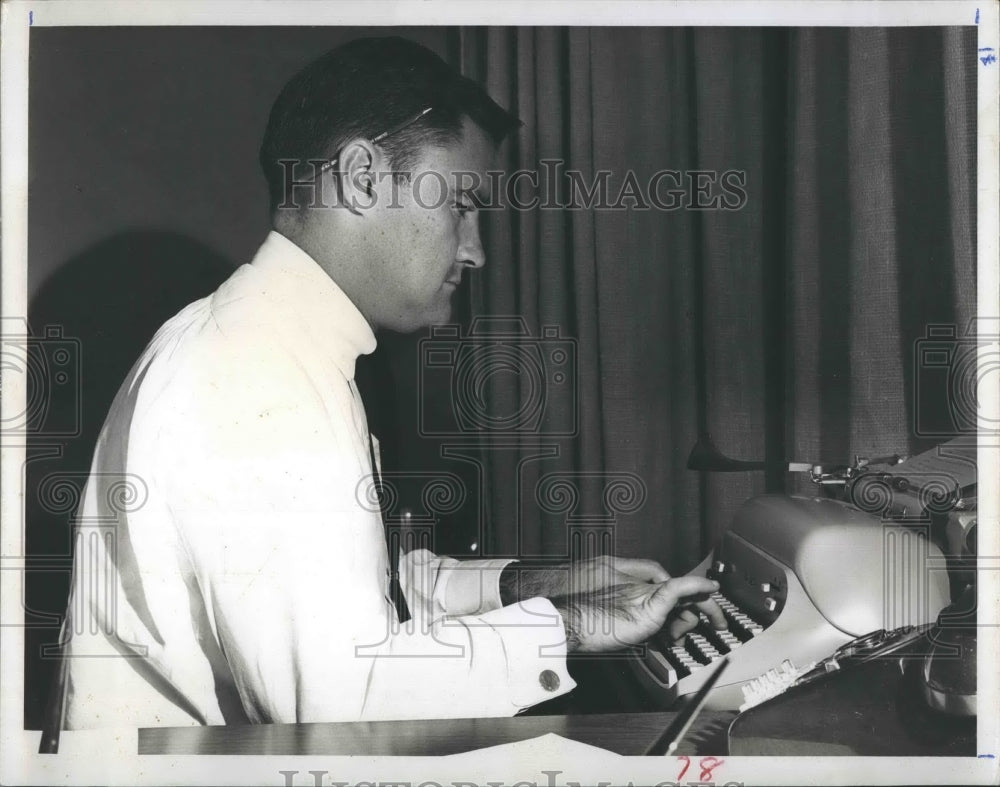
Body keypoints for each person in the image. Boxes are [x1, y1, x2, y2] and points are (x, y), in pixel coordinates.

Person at [57, 36, 725, 729]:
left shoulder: (265, 341)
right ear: (362, 177)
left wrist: (544, 586)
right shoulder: (253, 370)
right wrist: (571, 628)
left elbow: (360, 599)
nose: (476, 250)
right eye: (460, 206)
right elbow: (338, 704)